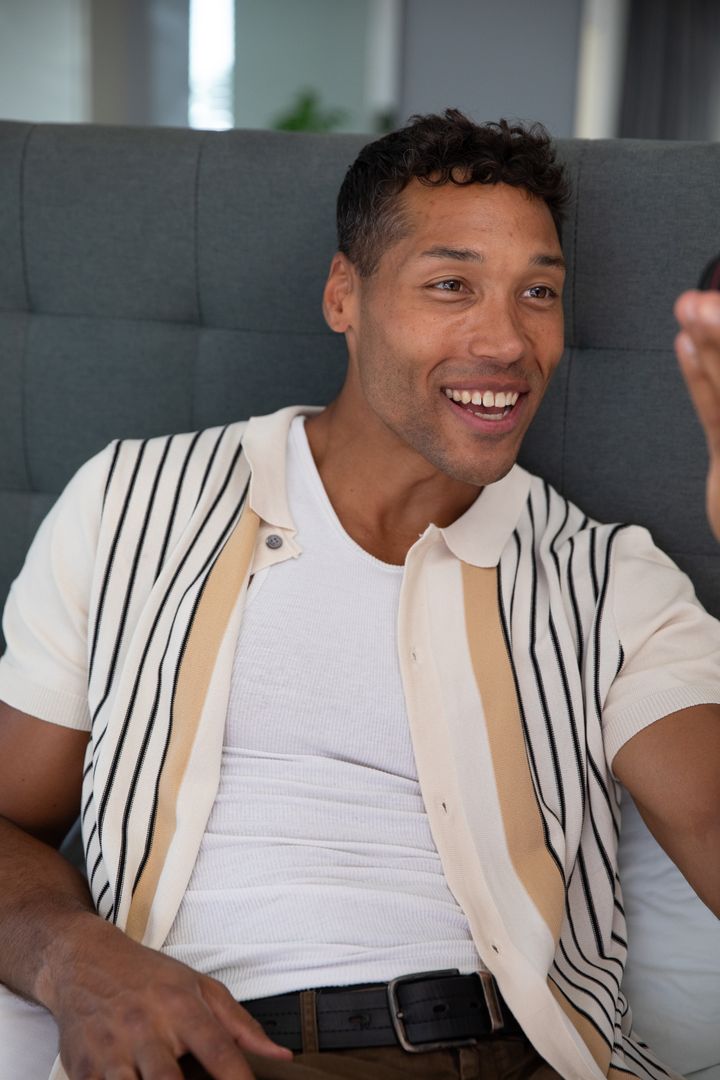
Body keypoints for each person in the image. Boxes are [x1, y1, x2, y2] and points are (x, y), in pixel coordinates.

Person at [0, 109, 718, 1080]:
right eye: (451, 284)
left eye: (538, 292)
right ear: (346, 294)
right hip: (205, 1053)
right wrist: (71, 959)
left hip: (498, 1056)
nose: (507, 341)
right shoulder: (131, 502)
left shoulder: (606, 577)